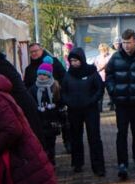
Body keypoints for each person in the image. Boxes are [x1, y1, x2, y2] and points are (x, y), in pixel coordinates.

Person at [105, 29, 135, 179]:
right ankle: (122, 163)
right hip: (121, 102)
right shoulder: (115, 57)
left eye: (129, 42)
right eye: (124, 42)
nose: (126, 45)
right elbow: (109, 75)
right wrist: (113, 90)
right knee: (122, 133)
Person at [60, 48, 106, 176]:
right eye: (71, 61)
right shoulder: (68, 74)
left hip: (90, 109)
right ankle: (77, 163)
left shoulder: (91, 72)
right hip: (74, 110)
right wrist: (68, 101)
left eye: (76, 60)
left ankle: (98, 166)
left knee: (94, 137)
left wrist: (92, 100)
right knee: (75, 137)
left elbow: (99, 88)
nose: (74, 63)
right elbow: (63, 91)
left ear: (82, 60)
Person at [28, 62, 63, 167]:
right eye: (39, 74)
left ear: (49, 75)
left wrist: (60, 118)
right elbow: (30, 103)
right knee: (41, 144)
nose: (41, 77)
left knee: (51, 144)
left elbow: (59, 103)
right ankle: (44, 165)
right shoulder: (33, 88)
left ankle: (51, 164)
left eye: (44, 74)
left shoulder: (55, 87)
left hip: (52, 121)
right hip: (39, 121)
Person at [93, 43, 113, 111]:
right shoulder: (97, 57)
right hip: (100, 77)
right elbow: (95, 66)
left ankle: (112, 107)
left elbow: (110, 65)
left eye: (104, 50)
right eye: (101, 50)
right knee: (100, 93)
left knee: (111, 92)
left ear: (107, 49)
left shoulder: (110, 57)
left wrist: (104, 67)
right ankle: (99, 108)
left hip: (109, 77)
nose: (103, 51)